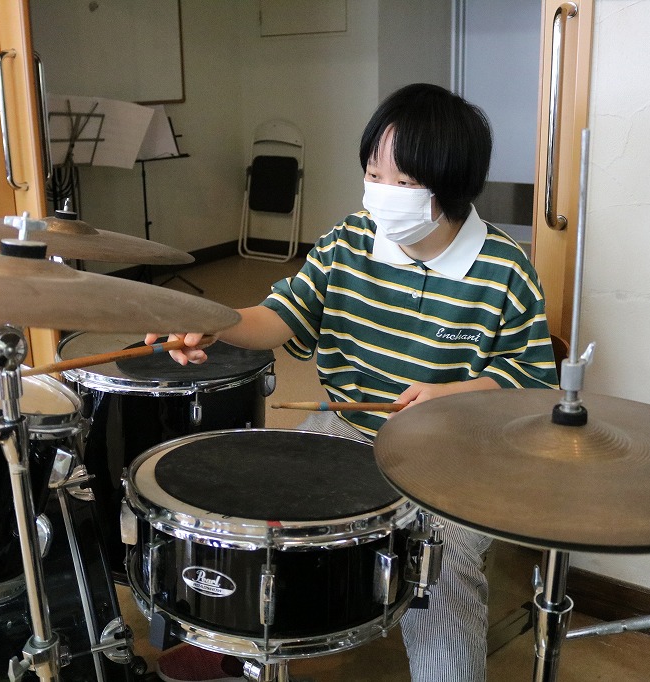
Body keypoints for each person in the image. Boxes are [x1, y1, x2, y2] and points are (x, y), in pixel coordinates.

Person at [148, 83, 558, 682]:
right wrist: (220, 323)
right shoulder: (348, 241)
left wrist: (452, 396)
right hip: (346, 425)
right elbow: (284, 314)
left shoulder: (505, 269)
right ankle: (240, 642)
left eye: (404, 181)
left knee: (438, 563)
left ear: (452, 184)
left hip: (455, 455)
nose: (382, 193)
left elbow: (530, 383)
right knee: (252, 497)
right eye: (373, 174)